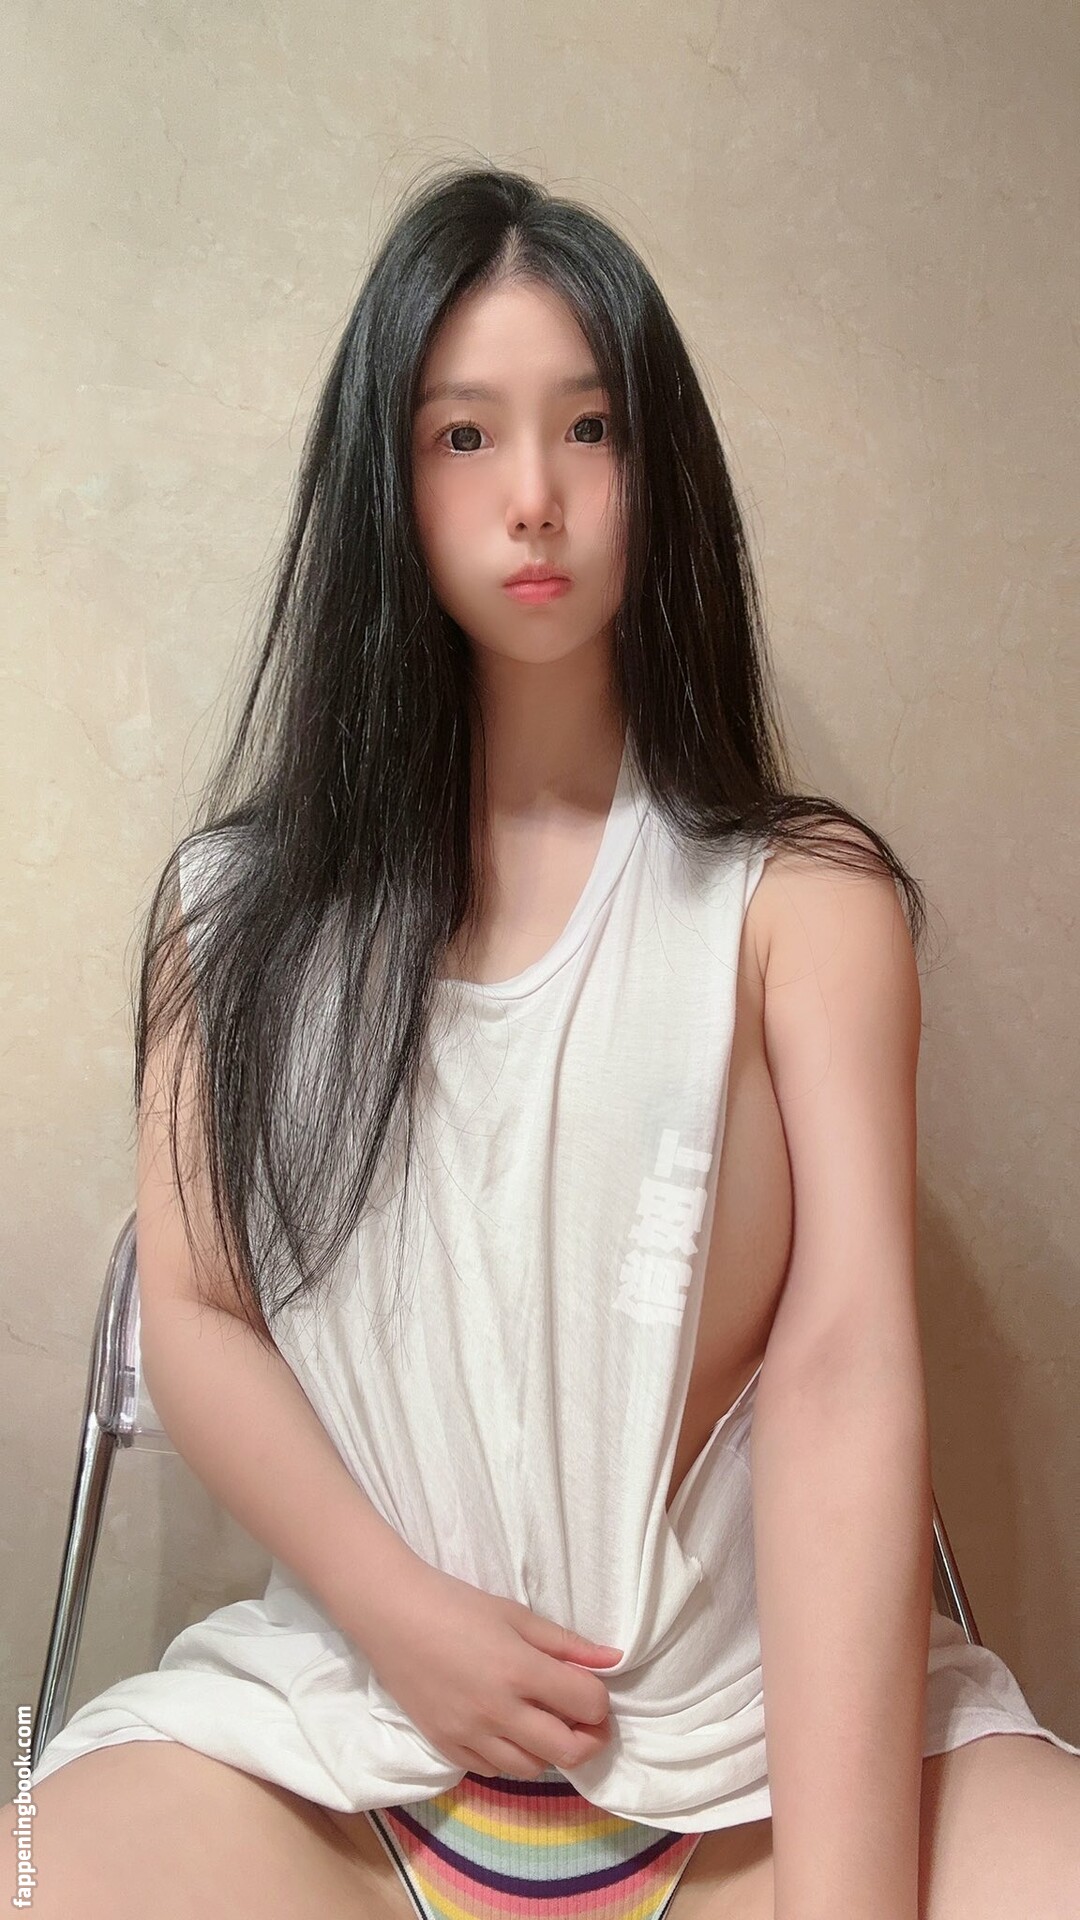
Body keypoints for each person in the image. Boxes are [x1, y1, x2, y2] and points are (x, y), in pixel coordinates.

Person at [7, 162, 1079, 1920]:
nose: (534, 497)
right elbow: (197, 1313)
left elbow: (844, 1377)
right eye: (463, 435)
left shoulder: (806, 902)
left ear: (661, 469)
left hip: (754, 1769)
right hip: (347, 1758)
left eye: (590, 430)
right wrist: (401, 1620)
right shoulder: (231, 914)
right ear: (386, 477)